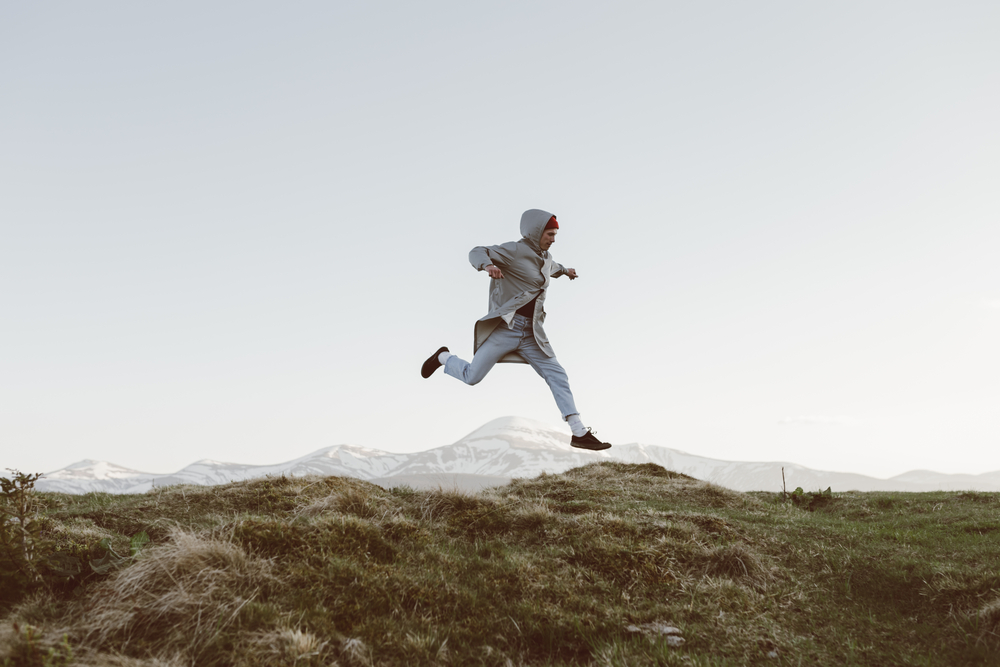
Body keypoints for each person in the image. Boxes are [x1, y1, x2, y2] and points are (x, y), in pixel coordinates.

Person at [420, 208, 611, 451]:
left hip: (533, 334)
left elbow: (550, 267)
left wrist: (565, 271)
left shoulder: (546, 257)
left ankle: (579, 432)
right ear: (536, 231)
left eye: (555, 235)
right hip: (506, 329)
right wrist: (487, 265)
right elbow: (476, 251)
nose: (553, 239)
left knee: (557, 374)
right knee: (472, 377)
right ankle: (443, 357)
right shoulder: (515, 251)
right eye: (549, 234)